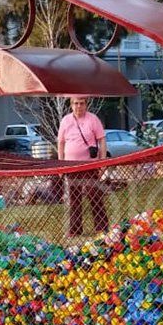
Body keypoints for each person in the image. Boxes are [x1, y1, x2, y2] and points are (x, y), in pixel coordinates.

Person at [56, 96, 109, 236]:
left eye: (81, 103)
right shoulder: (66, 121)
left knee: (94, 195)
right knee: (74, 198)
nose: (78, 106)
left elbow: (102, 140)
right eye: (75, 103)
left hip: (89, 165)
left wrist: (102, 162)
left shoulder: (93, 119)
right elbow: (60, 143)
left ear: (86, 105)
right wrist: (61, 163)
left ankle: (102, 227)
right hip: (71, 165)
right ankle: (75, 229)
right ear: (71, 105)